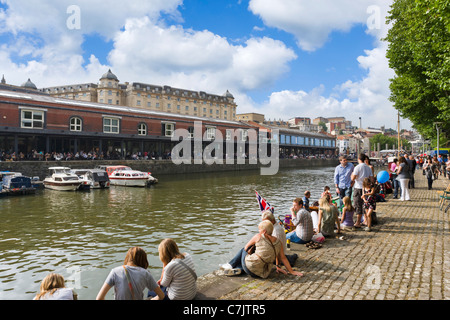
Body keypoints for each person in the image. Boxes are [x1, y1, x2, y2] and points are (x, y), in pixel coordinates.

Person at [226, 220, 303, 278]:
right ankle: (239, 268)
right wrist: (291, 271)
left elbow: (246, 248)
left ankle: (230, 265)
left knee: (244, 249)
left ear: (264, 231)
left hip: (250, 268)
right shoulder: (278, 242)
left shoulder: (258, 236)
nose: (258, 231)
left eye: (259, 229)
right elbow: (283, 258)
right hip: (263, 273)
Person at [96, 246, 164, 300]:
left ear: (127, 258)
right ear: (144, 261)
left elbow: (99, 298)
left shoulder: (115, 272)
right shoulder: (145, 273)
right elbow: (161, 296)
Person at [351, 153, 373, 228]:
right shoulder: (368, 168)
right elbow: (371, 178)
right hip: (366, 188)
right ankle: (366, 220)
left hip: (358, 187)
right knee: (365, 205)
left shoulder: (357, 167)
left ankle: (358, 222)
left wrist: (352, 175)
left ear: (358, 159)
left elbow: (353, 178)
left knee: (358, 205)